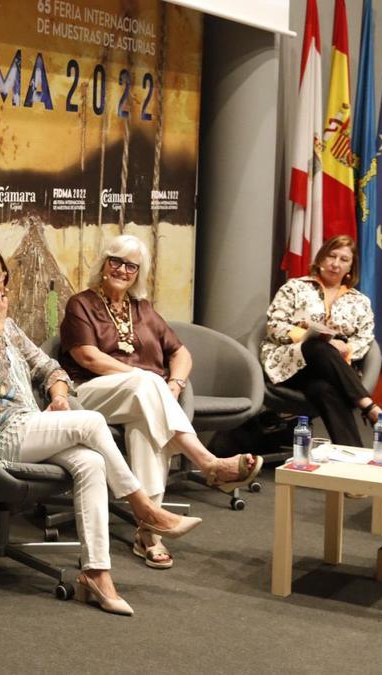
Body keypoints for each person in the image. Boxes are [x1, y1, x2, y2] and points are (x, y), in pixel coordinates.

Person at [0, 244, 202, 616]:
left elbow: (49, 367)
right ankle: (144, 508)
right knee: (90, 421)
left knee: (90, 462)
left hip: (27, 424)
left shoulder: (9, 326)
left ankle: (96, 575)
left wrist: (58, 394)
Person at [58, 234, 261, 570]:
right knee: (146, 386)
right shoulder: (81, 304)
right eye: (116, 261)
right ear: (103, 263)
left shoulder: (144, 310)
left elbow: (180, 352)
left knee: (147, 429)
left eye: (131, 266)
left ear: (139, 272)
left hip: (142, 399)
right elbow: (88, 357)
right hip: (93, 394)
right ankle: (208, 463)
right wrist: (147, 380)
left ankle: (149, 536)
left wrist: (174, 384)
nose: (122, 270)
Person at [260, 234, 379, 447]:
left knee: (323, 390)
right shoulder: (294, 287)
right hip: (290, 364)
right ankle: (368, 406)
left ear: (351, 267)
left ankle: (353, 457)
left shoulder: (360, 301)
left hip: (333, 369)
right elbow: (274, 327)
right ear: (320, 259)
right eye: (331, 256)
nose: (335, 264)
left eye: (344, 259)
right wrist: (306, 336)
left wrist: (347, 348)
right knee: (317, 346)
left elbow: (365, 337)